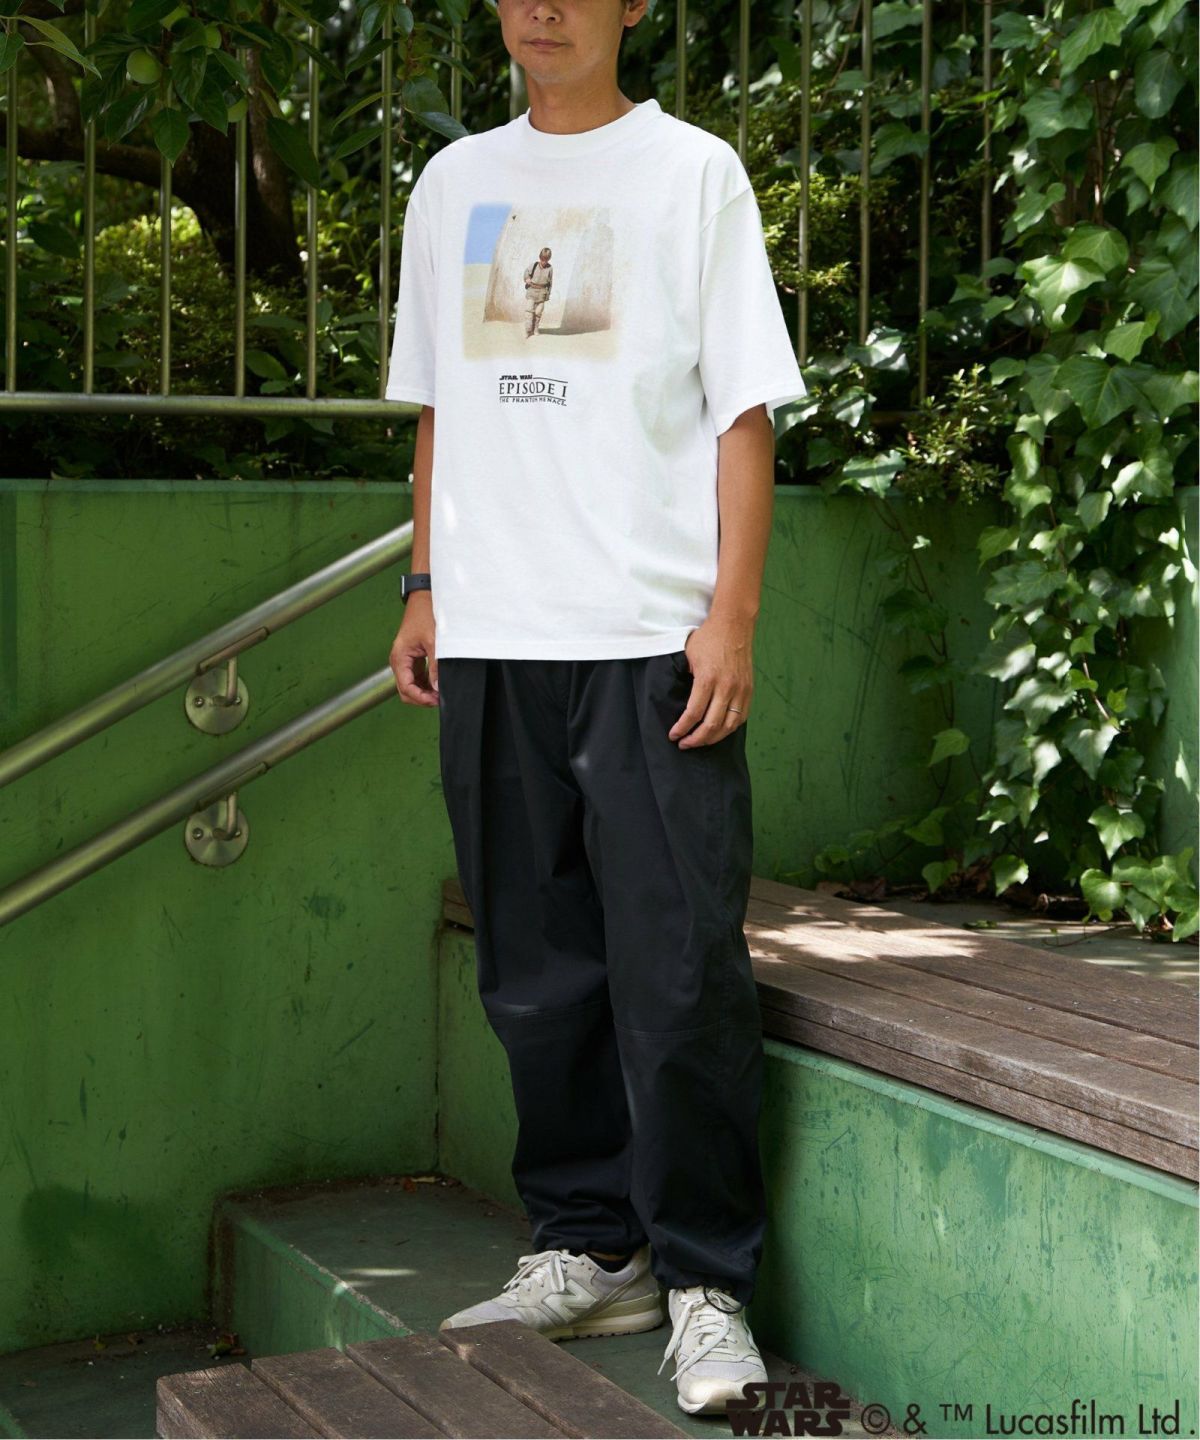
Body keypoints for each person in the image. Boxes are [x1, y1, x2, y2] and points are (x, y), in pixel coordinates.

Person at [385, 0, 806, 1417]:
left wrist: (730, 617)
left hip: (646, 641)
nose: (545, 8)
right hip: (495, 635)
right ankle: (589, 1245)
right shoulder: (455, 183)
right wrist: (426, 582)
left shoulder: (693, 173)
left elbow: (743, 413)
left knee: (680, 974)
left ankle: (706, 1284)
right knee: (533, 973)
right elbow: (441, 408)